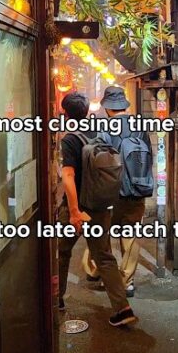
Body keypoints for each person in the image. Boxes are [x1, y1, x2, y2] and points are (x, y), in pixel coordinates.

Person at [57, 91, 139, 327]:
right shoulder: (99, 133)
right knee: (104, 257)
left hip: (79, 207)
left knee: (62, 253)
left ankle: (56, 299)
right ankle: (123, 309)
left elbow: (69, 176)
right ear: (87, 111)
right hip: (101, 206)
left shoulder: (70, 139)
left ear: (66, 113)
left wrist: (73, 211)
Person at [100, 86, 150, 296]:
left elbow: (98, 161)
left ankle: (107, 277)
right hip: (137, 190)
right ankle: (127, 281)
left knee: (101, 234)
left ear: (108, 108)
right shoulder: (139, 127)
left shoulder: (104, 129)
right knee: (129, 235)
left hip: (111, 192)